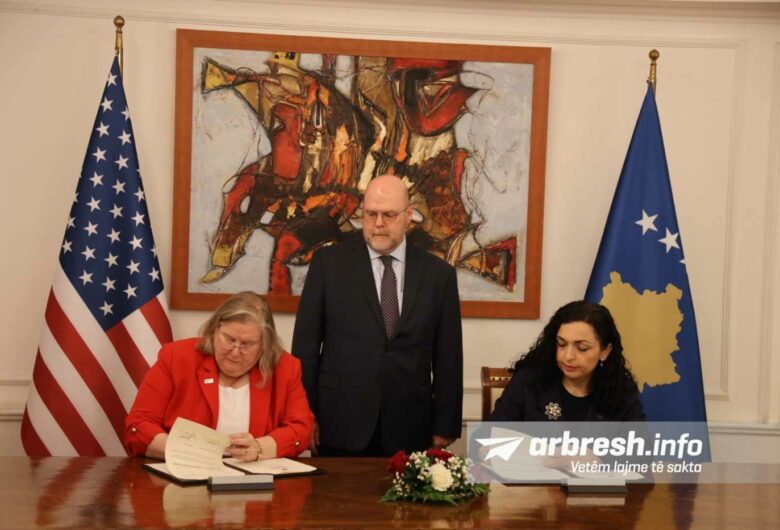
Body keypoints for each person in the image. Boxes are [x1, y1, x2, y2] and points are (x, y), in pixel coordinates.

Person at [292, 174, 463, 456]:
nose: (378, 223)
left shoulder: (438, 275)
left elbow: (448, 356)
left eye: (389, 215)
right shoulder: (328, 265)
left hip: (411, 425)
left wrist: (446, 423)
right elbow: (305, 348)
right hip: (339, 423)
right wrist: (304, 416)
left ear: (408, 216)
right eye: (371, 214)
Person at [125, 291, 314, 461]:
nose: (235, 352)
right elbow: (138, 426)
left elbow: (302, 429)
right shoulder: (177, 357)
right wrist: (186, 452)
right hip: (183, 475)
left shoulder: (285, 368)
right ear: (214, 330)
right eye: (229, 339)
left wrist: (259, 448)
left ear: (265, 345)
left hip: (253, 481)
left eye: (247, 344)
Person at [490, 300, 645, 421]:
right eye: (562, 344)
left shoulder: (621, 393)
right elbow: (487, 438)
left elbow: (641, 450)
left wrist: (599, 454)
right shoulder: (528, 382)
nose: (568, 356)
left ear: (605, 351)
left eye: (582, 348)